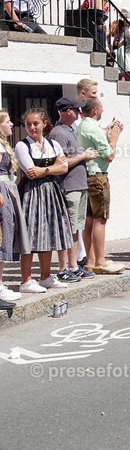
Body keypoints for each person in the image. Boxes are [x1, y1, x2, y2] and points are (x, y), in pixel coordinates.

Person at [15, 107, 75, 293]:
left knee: (47, 233)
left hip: (51, 192)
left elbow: (64, 168)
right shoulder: (22, 146)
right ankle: (26, 281)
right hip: (31, 194)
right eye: (28, 124)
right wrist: (53, 166)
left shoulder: (52, 144)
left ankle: (45, 277)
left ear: (45, 124)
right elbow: (31, 172)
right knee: (30, 236)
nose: (32, 127)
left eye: (36, 124)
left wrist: (46, 170)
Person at [49, 98, 98, 281]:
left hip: (78, 185)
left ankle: (73, 266)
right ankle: (65, 269)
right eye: (77, 110)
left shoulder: (70, 130)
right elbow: (60, 163)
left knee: (76, 228)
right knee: (69, 228)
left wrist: (84, 157)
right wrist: (83, 156)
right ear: (68, 111)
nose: (79, 113)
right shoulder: (59, 133)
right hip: (68, 187)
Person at [75, 99, 125, 274]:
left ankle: (90, 260)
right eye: (101, 108)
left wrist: (106, 130)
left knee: (89, 220)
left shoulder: (81, 126)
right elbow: (109, 156)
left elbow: (93, 139)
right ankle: (101, 261)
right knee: (100, 219)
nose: (102, 111)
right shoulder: (94, 129)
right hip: (98, 177)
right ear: (95, 110)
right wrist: (114, 138)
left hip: (85, 176)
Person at [0, 110, 29, 304]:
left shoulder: (4, 145)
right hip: (2, 190)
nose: (11, 124)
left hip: (7, 190)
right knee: (2, 236)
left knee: (6, 236)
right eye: (8, 121)